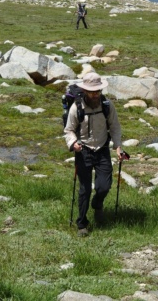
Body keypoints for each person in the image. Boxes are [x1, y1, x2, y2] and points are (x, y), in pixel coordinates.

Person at [64, 72, 124, 237]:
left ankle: (97, 205)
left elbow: (115, 127)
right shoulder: (76, 107)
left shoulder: (107, 105)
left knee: (103, 186)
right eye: (92, 91)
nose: (95, 94)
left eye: (97, 91)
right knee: (84, 189)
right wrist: (73, 143)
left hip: (102, 149)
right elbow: (69, 130)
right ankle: (82, 224)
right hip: (83, 151)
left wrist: (118, 147)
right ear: (85, 91)